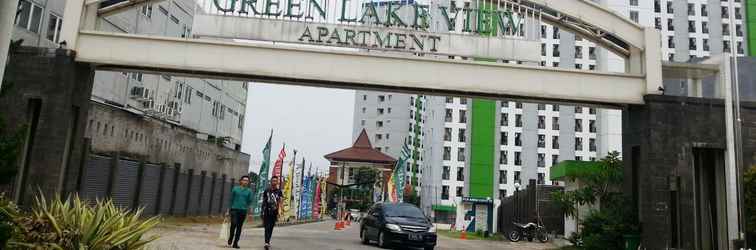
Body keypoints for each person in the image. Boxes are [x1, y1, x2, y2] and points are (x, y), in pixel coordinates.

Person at [227, 176, 254, 249]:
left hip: (243, 211)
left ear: (248, 182)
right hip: (234, 209)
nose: (245, 181)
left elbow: (250, 202)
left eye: (247, 181)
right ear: (241, 181)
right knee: (233, 224)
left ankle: (235, 243)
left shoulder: (249, 191)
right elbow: (231, 200)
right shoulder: (235, 189)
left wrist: (250, 213)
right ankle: (230, 238)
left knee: (239, 227)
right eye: (244, 180)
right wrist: (228, 210)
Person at [261, 176, 283, 250]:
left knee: (271, 227)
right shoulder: (267, 190)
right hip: (267, 211)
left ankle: (268, 241)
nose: (274, 182)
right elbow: (264, 201)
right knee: (267, 227)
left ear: (277, 182)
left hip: (274, 212)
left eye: (275, 181)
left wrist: (280, 211)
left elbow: (280, 202)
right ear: (270, 182)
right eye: (273, 181)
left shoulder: (279, 191)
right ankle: (266, 242)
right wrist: (262, 211)